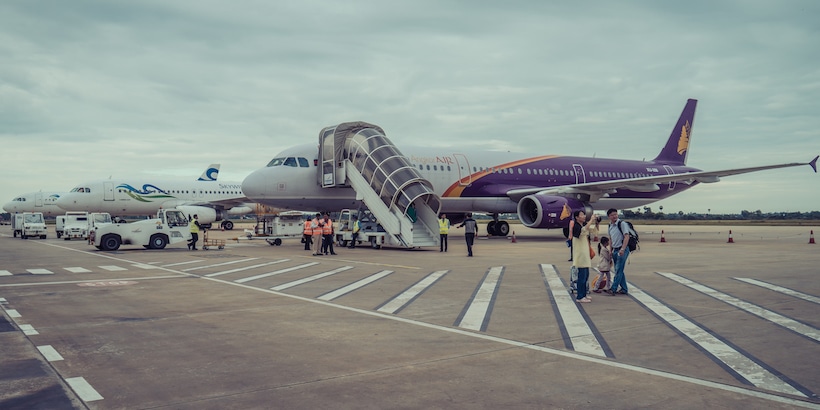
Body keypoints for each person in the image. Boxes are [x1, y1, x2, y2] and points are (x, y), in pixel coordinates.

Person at [571, 210, 599, 303]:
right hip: (581, 255)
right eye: (582, 215)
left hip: (585, 254)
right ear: (577, 217)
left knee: (585, 276)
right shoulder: (576, 226)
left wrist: (596, 223)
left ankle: (583, 294)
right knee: (582, 277)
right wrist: (591, 220)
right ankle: (580, 297)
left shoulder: (583, 225)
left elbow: (593, 230)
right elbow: (583, 231)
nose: (584, 216)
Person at [606, 208, 631, 295]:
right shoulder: (610, 226)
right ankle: (624, 289)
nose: (614, 216)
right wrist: (610, 250)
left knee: (618, 270)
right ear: (609, 217)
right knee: (619, 269)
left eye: (615, 214)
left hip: (622, 249)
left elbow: (626, 236)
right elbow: (610, 238)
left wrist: (623, 249)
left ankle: (613, 289)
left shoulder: (622, 224)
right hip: (615, 250)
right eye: (612, 215)